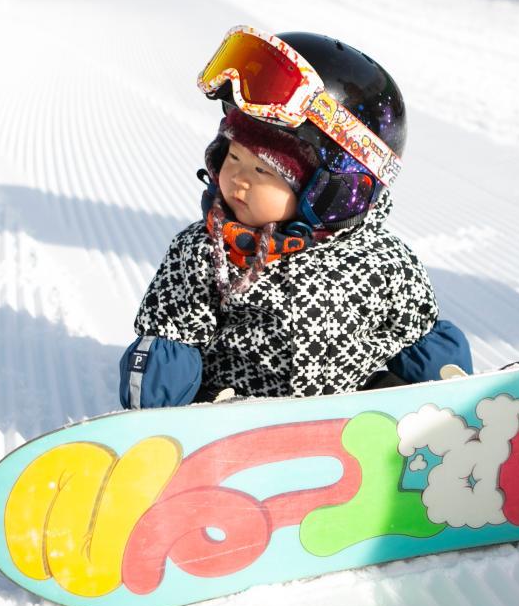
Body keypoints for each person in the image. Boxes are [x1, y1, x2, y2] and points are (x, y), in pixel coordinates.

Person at [119, 26, 472, 409]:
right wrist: (154, 405)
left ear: (330, 193)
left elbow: (413, 333)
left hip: (350, 405)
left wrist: (449, 391)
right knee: (213, 401)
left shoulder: (383, 259)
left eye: (263, 172)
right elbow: (174, 334)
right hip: (240, 405)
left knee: (400, 391)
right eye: (233, 157)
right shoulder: (203, 252)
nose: (237, 179)